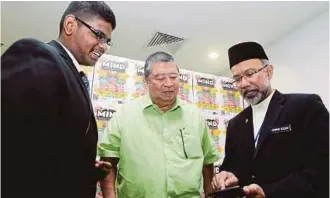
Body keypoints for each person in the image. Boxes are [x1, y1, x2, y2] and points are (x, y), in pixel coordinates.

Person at [1, 2, 116, 198]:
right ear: (70, 25)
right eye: (98, 35)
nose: (104, 46)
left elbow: (47, 149)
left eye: (108, 41)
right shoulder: (36, 54)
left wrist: (87, 170)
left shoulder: (70, 73)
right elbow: (17, 151)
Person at [211, 41, 329, 198]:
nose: (244, 83)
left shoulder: (305, 106)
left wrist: (268, 192)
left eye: (250, 73)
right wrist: (228, 176)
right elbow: (233, 166)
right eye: (237, 79)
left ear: (269, 72)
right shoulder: (236, 124)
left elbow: (323, 167)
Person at [98, 51, 220, 198]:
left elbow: (208, 162)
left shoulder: (195, 116)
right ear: (146, 80)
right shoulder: (123, 116)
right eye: (160, 78)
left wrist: (211, 194)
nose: (168, 83)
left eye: (174, 77)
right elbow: (108, 161)